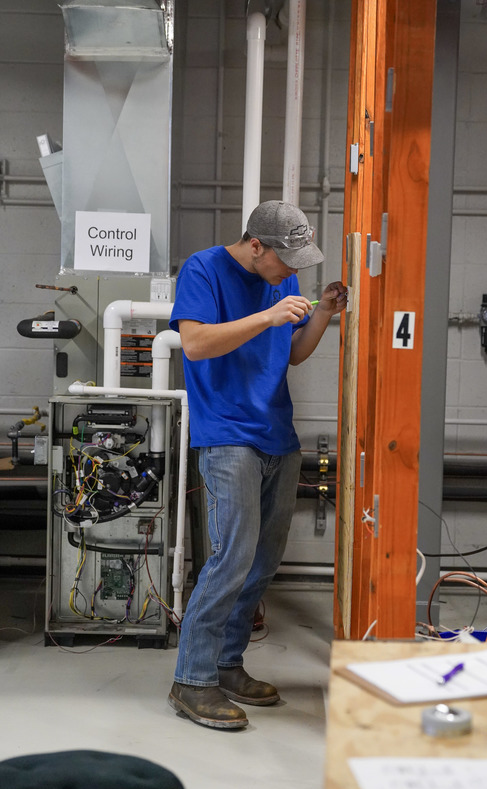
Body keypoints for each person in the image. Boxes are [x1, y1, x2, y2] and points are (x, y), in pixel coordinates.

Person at [168, 199, 347, 730]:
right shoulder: (203, 269)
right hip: (226, 434)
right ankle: (191, 680)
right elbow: (196, 345)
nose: (293, 271)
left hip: (276, 433)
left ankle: (226, 664)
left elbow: (290, 353)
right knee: (231, 557)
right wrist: (269, 313)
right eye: (286, 259)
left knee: (263, 561)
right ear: (255, 245)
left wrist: (322, 313)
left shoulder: (283, 281)